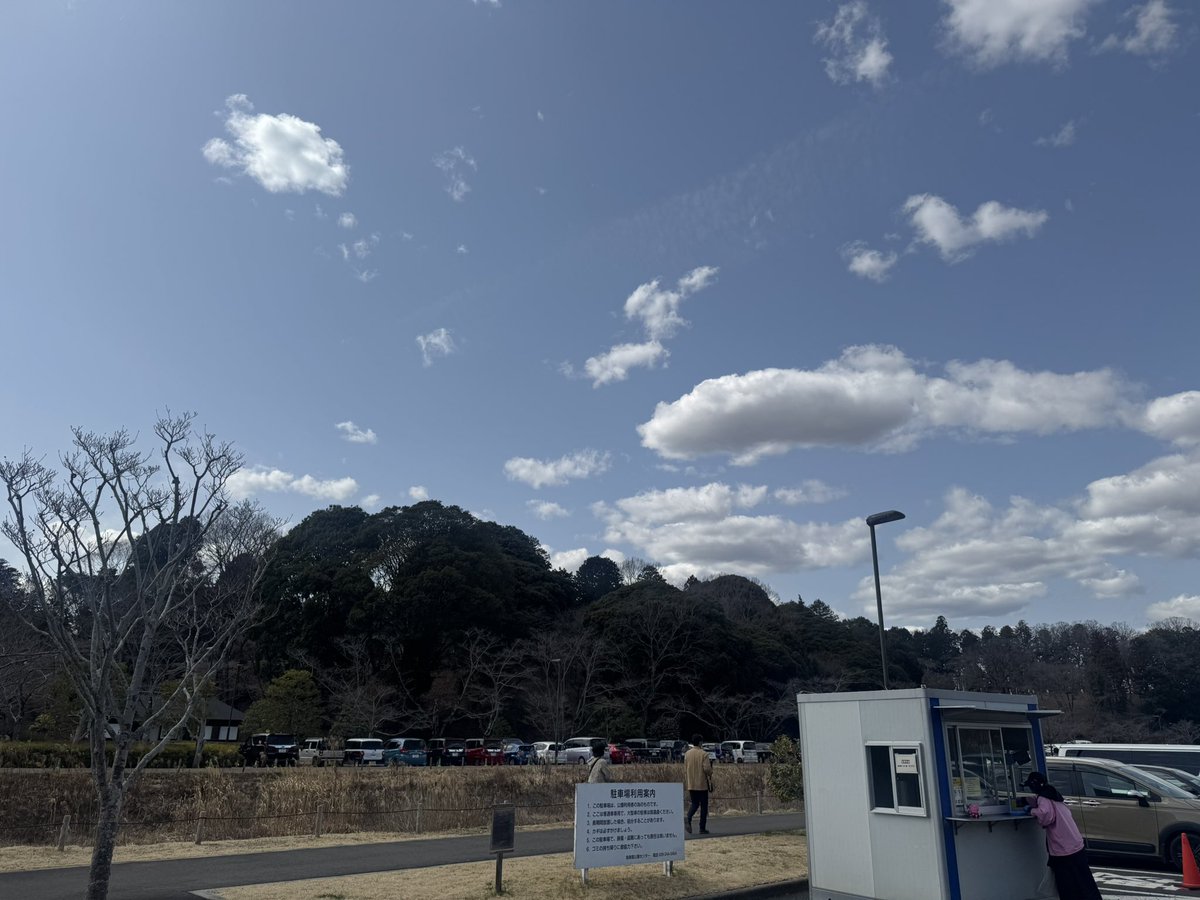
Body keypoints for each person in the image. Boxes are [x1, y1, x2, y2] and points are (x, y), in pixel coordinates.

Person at [1021, 771, 1102, 900]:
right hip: (1075, 843)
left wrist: (1032, 810)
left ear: (1033, 785)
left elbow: (1046, 815)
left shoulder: (1043, 798)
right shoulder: (1053, 794)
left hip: (1063, 848)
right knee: (1084, 881)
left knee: (1067, 884)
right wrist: (1031, 801)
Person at [683, 733, 714, 834]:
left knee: (695, 803)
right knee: (704, 806)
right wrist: (711, 772)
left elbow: (685, 768)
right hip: (702, 784)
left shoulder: (687, 754)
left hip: (691, 783)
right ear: (700, 742)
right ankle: (702, 828)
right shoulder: (704, 754)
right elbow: (707, 769)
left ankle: (688, 817)